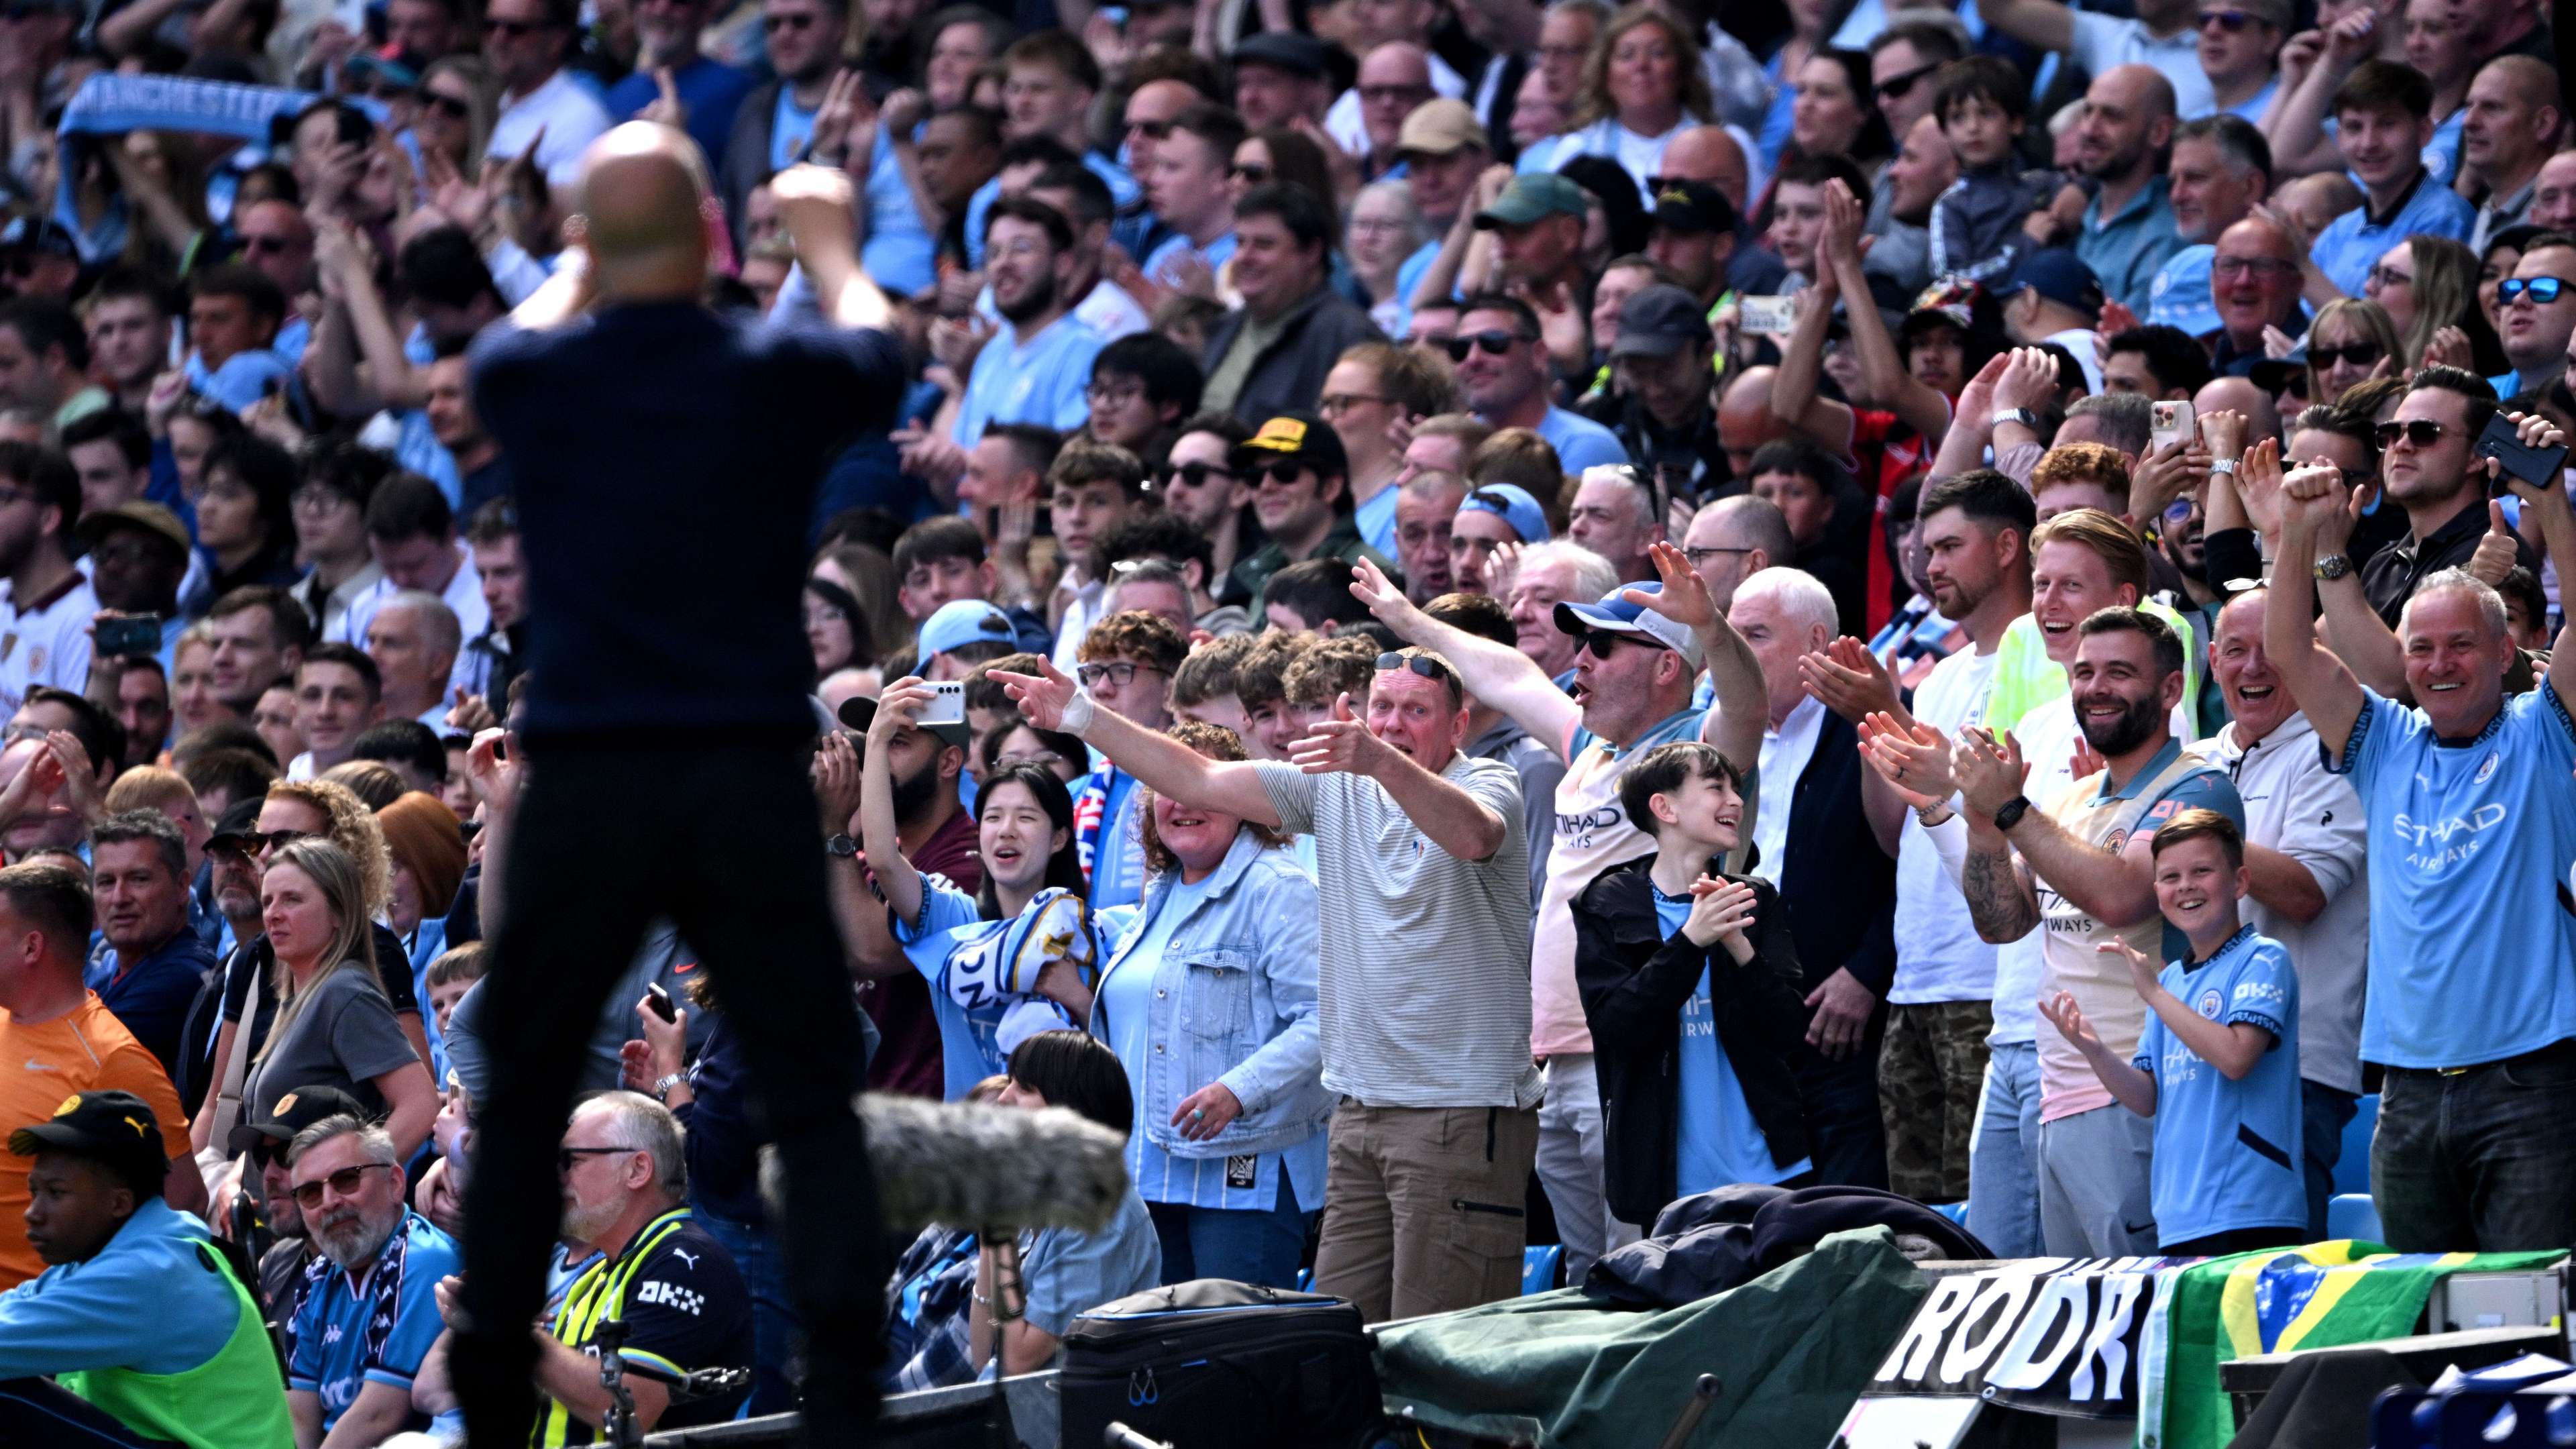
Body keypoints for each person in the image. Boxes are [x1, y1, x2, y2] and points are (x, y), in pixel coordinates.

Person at [453, 148, 894, 1445]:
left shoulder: (533, 374)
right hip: (741, 771)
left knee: (528, 1088)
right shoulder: (777, 368)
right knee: (812, 1103)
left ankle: (488, 1410)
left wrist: (580, 252)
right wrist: (824, 239)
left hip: (590, 771)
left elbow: (507, 336)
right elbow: (876, 342)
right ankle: (851, 1405)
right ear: (714, 230)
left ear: (587, 243)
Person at [996, 639, 1540, 1324]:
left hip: (1457, 1111)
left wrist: (1376, 761)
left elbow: (1472, 836)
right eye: (1385, 709)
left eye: (1417, 710)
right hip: (1360, 1115)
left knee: (1442, 1355)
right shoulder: (1336, 789)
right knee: (1337, 1348)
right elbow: (1197, 778)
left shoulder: (1488, 783)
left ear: (1459, 726)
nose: (1396, 724)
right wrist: (1081, 716)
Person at [1350, 544, 1764, 1282]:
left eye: (1603, 646)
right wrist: (1407, 617)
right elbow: (1507, 674)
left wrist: (1710, 626)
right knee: (1586, 1269)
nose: (1582, 662)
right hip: (1560, 1053)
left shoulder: (1699, 752)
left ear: (1667, 665)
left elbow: (1746, 703)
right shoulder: (1590, 749)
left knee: (1648, 1262)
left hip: (1651, 1048)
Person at [2266, 415, 2576, 1252]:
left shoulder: (2540, 734)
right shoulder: (2385, 744)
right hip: (2405, 1092)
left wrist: (2548, 500)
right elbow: (2289, 649)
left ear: (2507, 648)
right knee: (2419, 1327)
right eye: (2423, 648)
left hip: (2532, 1082)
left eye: (2462, 647)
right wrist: (2300, 532)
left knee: (2533, 1318)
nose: (2440, 664)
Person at [1954, 608, 2245, 1255]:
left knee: (2138, 1310)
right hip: (2055, 1097)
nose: (2096, 687)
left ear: (2172, 690)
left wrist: (2010, 809)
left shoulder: (2197, 787)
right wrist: (1981, 828)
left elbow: (2122, 896)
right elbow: (2004, 923)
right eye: (2084, 672)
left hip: (2143, 1097)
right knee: (2079, 1317)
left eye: (2120, 672)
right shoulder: (2068, 802)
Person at [1085, 718, 1327, 1287]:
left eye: (1202, 787)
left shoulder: (1278, 887)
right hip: (1146, 1177)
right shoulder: (1158, 895)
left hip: (1244, 1178)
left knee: (1231, 1361)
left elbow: (1327, 1020)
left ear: (1242, 801)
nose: (1183, 802)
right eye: (1168, 787)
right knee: (1168, 1363)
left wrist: (1237, 1091)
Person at [2039, 808, 2306, 1255]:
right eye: (2170, 877)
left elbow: (2238, 1058)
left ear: (2239, 882)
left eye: (2202, 871)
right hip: (2179, 1215)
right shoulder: (2173, 982)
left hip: (2252, 1209)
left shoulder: (2263, 958)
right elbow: (2147, 1098)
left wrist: (2153, 994)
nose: (2185, 886)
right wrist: (2094, 1050)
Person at [1575, 740, 1812, 1224]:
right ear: (1664, 808)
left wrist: (1739, 947)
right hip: (1665, 1180)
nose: (1736, 801)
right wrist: (1691, 941)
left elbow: (1789, 1029)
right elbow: (1618, 1026)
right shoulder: (1608, 901)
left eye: (1737, 789)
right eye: (1715, 787)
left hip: (1772, 1172)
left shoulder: (1755, 899)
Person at [2200, 582, 2369, 1237]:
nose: (2254, 666)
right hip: (2199, 1059)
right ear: (2211, 661)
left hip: (2296, 1069)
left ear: (2305, 655)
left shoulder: (2335, 748)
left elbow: (2304, 892)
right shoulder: (2203, 759)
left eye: (2273, 649)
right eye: (2235, 651)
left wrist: (2188, 828)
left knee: (2278, 1272)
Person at [441, 1091, 753, 1440]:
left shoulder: (688, 1264)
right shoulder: (596, 1276)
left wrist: (512, 1330)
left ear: (637, 1169)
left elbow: (629, 1405)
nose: (557, 1177)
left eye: (571, 1160)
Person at [0, 1089, 292, 1449]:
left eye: (56, 1193)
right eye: (35, 1191)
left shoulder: (147, 1274)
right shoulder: (128, 1252)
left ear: (119, 1203)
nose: (34, 1212)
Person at [0, 861, 203, 1292]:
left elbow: (183, 1199)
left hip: (38, 1330)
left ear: (31, 947)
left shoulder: (112, 1059)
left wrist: (88, 1300)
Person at [238, 838, 437, 1161]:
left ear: (339, 913)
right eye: (267, 902)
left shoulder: (345, 992)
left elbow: (421, 1106)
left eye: (292, 900)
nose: (273, 914)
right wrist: (235, 1183)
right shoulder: (301, 999)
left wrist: (352, 1183)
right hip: (271, 1208)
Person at [283, 1112, 460, 1446]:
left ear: (395, 1183)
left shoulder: (423, 1258)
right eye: (309, 1193)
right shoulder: (316, 1277)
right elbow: (300, 1418)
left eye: (347, 1180)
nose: (329, 1202)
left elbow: (381, 1417)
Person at [1199, 183, 1385, 421]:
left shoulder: (1349, 335)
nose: (1244, 257)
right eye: (1240, 243)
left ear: (1311, 252)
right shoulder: (1222, 328)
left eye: (1264, 245)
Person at [2306, 61, 2477, 301]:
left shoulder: (2446, 219)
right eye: (2355, 127)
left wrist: (2301, 267)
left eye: (2387, 124)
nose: (2368, 144)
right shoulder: (2336, 233)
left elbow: (2388, 333)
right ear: (2339, 137)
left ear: (2424, 131)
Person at [1222, 412, 1400, 621]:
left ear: (1330, 488)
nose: (1266, 486)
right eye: (1254, 476)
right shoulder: (1262, 572)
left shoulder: (1367, 576)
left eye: (1286, 473)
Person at [85, 809, 214, 1077]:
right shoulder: (107, 971)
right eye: (107, 882)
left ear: (182, 887)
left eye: (139, 879)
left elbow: (74, 1059)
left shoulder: (183, 976)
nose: (119, 898)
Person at [1452, 293, 1629, 472]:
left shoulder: (1585, 444)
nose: (1473, 359)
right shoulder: (1452, 446)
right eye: (1461, 348)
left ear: (1539, 355)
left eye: (1493, 342)